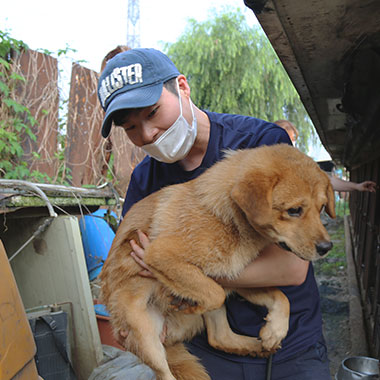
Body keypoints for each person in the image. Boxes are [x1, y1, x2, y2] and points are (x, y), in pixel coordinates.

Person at [98, 48, 330, 380]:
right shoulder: (144, 179)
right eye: (131, 127)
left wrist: (184, 272)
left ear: (182, 87)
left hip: (292, 350)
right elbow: (130, 268)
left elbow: (292, 267)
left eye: (153, 113)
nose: (147, 134)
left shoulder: (260, 144)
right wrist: (132, 327)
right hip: (204, 351)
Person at [274, 119, 377, 193]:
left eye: (293, 141)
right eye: (289, 141)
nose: (293, 146)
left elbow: (325, 180)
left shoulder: (295, 164)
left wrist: (356, 186)